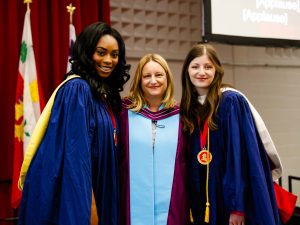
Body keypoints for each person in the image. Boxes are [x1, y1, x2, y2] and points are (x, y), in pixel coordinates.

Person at [17, 21, 130, 225]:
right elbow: (76, 159)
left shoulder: (103, 96)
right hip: (80, 201)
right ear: (87, 52)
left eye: (114, 55)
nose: (109, 60)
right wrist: (89, 209)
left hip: (98, 193)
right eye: (101, 52)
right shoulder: (78, 89)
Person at [180, 43, 281, 225]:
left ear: (217, 70)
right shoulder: (189, 108)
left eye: (208, 67)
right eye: (195, 66)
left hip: (227, 198)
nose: (201, 72)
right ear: (187, 70)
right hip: (201, 199)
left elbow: (238, 158)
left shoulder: (230, 101)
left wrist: (237, 206)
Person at [119, 53, 189, 225]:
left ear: (167, 78)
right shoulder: (123, 112)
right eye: (147, 76)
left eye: (158, 75)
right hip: (132, 201)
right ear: (139, 81)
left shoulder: (183, 116)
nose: (153, 81)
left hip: (173, 204)